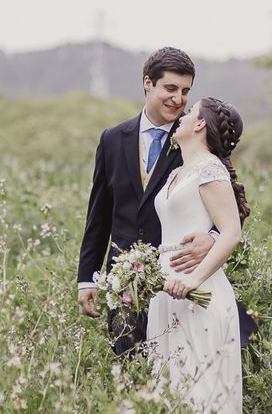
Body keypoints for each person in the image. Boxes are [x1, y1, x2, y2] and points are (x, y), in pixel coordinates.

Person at [76, 47, 256, 356]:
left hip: (178, 280)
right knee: (129, 372)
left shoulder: (197, 138)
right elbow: (99, 214)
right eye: (170, 88)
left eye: (186, 91)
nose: (178, 99)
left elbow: (232, 206)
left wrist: (211, 238)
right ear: (148, 84)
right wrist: (86, 278)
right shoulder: (112, 139)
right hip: (125, 283)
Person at [147, 97, 248, 412]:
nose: (183, 115)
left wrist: (192, 279)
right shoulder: (180, 170)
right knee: (168, 390)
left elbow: (231, 232)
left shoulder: (209, 168)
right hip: (166, 293)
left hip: (197, 293)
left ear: (201, 123)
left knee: (199, 393)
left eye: (190, 112)